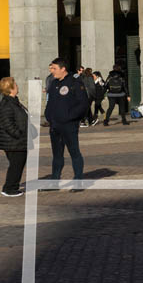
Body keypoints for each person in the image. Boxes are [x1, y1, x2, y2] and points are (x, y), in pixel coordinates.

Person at [44, 57, 89, 190]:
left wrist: (70, 117)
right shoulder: (53, 83)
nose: (52, 71)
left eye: (54, 68)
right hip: (55, 125)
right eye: (51, 69)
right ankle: (54, 182)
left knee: (74, 152)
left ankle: (78, 181)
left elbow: (83, 104)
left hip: (69, 125)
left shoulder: (75, 82)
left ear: (63, 69)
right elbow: (50, 102)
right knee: (57, 155)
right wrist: (49, 116)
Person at [0, 76, 29, 196]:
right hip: (14, 142)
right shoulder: (7, 104)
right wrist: (18, 133)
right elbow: (8, 123)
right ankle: (10, 188)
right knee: (16, 165)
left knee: (16, 164)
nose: (17, 86)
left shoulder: (13, 101)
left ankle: (11, 186)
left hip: (16, 140)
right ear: (11, 88)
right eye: (16, 84)